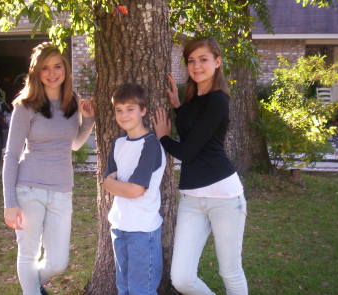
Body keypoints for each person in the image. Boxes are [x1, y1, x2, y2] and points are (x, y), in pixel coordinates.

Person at [153, 37, 248, 295]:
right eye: (191, 61)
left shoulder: (219, 100)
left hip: (225, 197)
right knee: (181, 278)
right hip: (192, 199)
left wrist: (162, 137)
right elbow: (191, 130)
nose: (196, 66)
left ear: (217, 62)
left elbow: (187, 151)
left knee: (230, 271)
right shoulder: (193, 101)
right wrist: (177, 106)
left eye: (203, 59)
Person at [2, 42, 95, 295]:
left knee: (58, 262)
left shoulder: (72, 101)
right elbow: (11, 155)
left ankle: (31, 287)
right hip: (29, 189)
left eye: (57, 66)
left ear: (65, 69)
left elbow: (74, 144)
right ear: (36, 72)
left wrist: (88, 121)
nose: (52, 73)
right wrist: (9, 203)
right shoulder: (25, 105)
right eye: (45, 68)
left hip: (62, 190)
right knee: (28, 254)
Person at [103, 83, 166, 295]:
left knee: (142, 290)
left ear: (143, 110)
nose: (123, 115)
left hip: (142, 229)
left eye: (130, 109)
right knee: (124, 288)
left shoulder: (151, 145)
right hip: (119, 225)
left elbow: (135, 190)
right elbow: (107, 181)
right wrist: (112, 184)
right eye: (119, 110)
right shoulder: (118, 144)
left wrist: (112, 184)